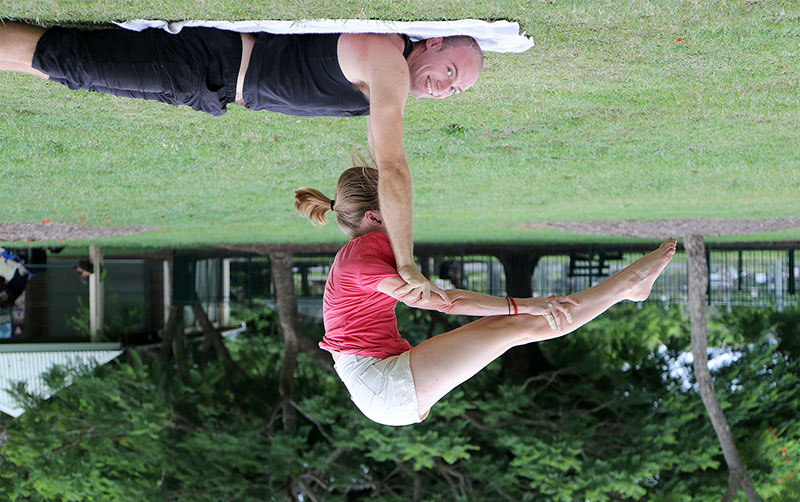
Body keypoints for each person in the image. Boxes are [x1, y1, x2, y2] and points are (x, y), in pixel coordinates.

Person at [0, 21, 484, 302]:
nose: (445, 88)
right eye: (449, 71)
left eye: (457, 89)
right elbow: (394, 167)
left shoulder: (391, 76)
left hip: (211, 86)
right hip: (208, 62)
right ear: (434, 42)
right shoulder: (388, 60)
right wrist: (406, 262)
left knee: (69, 71)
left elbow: (380, 167)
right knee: (68, 59)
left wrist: (370, 228)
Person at [294, 165, 678, 426]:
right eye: (394, 208)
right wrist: (525, 302)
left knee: (520, 325)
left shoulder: (364, 250)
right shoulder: (363, 255)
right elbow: (447, 302)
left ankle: (630, 287)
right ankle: (629, 286)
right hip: (382, 384)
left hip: (381, 384)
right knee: (521, 324)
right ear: (374, 218)